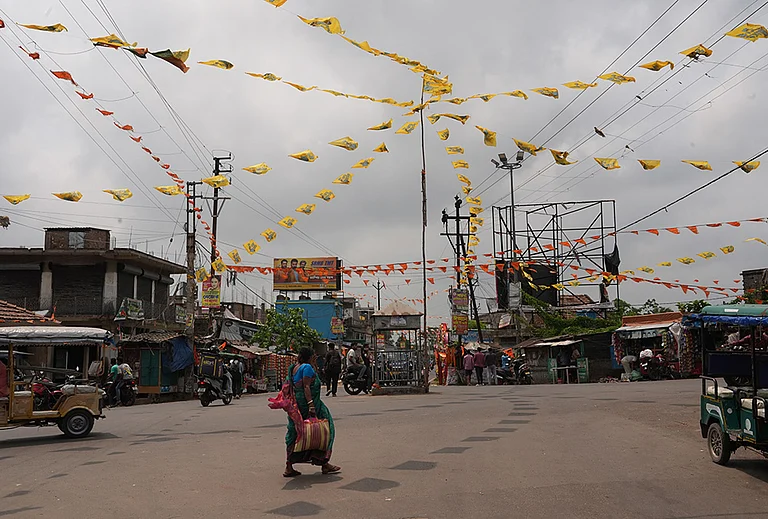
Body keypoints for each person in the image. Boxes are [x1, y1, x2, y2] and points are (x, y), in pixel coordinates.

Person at [269, 347, 340, 478]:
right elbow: (306, 387)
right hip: (311, 404)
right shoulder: (307, 368)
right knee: (326, 429)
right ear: (310, 356)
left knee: (295, 432)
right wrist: (311, 406)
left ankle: (289, 466)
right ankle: (324, 462)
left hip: (296, 406)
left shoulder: (293, 368)